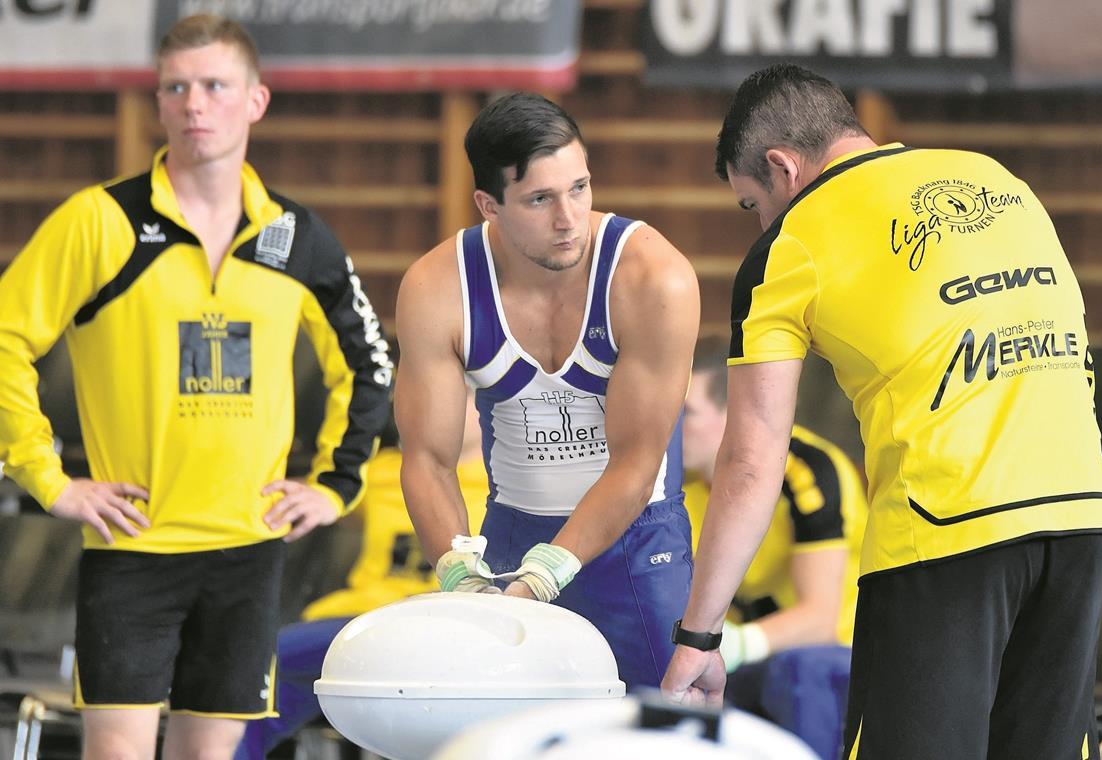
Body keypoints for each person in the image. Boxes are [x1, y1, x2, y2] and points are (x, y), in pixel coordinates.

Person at [661, 64, 1102, 760]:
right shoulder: (998, 180)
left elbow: (753, 459)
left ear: (782, 167)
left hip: (944, 532)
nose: (759, 224)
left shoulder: (789, 245)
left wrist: (700, 636)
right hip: (1080, 516)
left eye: (752, 204)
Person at [0, 14, 392, 760]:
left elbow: (368, 364)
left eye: (215, 86)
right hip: (132, 543)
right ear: (158, 103)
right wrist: (48, 479)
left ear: (256, 101)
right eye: (175, 87)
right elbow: (5, 338)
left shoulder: (297, 238)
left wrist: (336, 484)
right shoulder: (102, 222)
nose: (194, 104)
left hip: (249, 548)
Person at [395, 92, 701, 689]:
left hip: (638, 539)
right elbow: (428, 460)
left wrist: (549, 571)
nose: (569, 220)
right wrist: (458, 566)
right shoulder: (439, 287)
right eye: (540, 199)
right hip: (511, 531)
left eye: (580, 188)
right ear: (489, 205)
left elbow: (638, 464)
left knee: (669, 722)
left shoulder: (651, 276)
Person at [235, 393, 487, 760]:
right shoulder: (386, 470)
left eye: (459, 395)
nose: (432, 402)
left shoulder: (508, 482)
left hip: (451, 630)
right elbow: (317, 498)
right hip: (359, 623)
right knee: (256, 673)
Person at [683, 333, 866, 758]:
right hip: (743, 658)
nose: (671, 426)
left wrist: (732, 645)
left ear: (732, 414)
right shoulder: (680, 483)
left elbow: (820, 618)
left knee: (798, 671)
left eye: (686, 412)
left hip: (834, 657)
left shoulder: (805, 468)